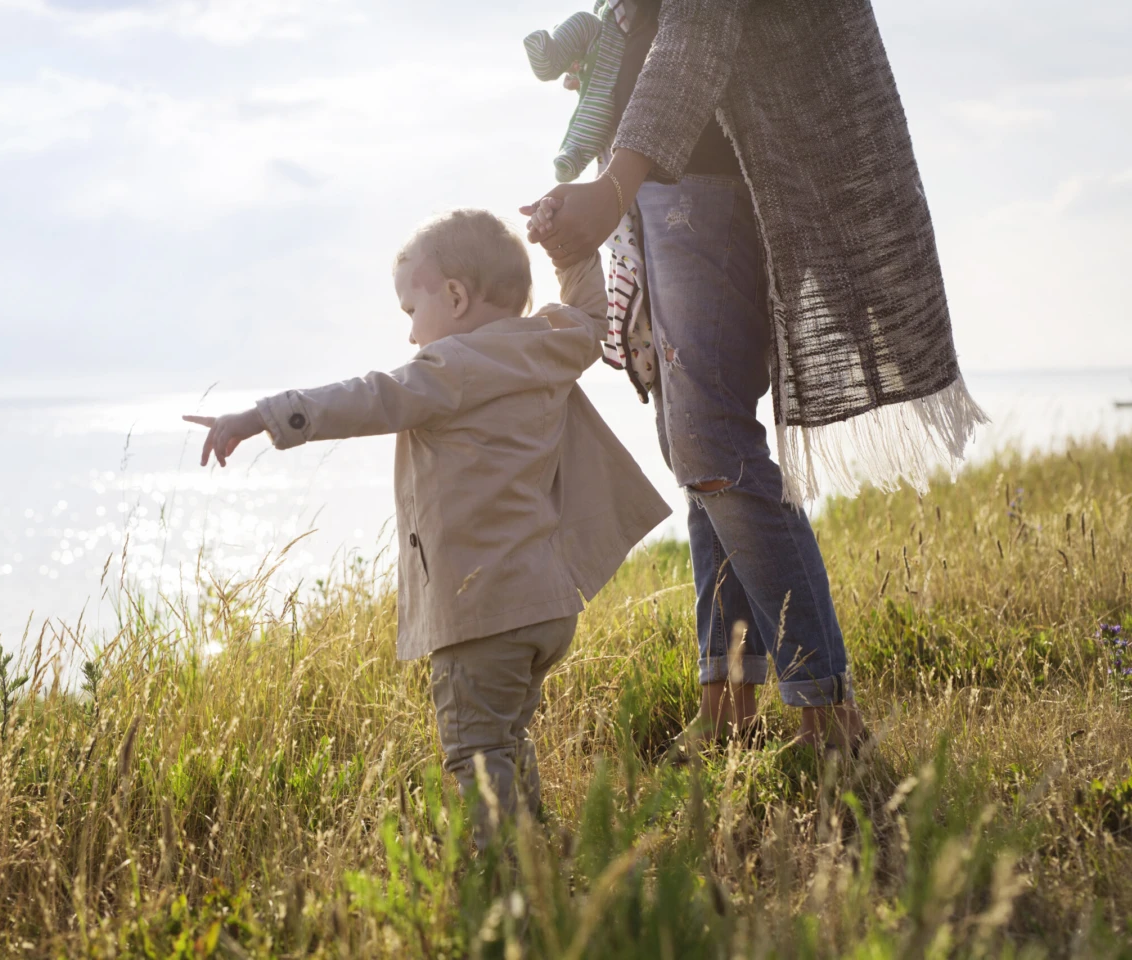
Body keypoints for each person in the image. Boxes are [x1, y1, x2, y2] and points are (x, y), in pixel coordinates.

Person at [522, 0, 986, 751]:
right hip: (669, 187)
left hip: (715, 180)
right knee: (698, 447)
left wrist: (610, 187)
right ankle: (728, 703)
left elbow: (698, 34)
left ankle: (830, 717)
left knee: (710, 444)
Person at [184, 209, 670, 837]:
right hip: (547, 604)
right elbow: (587, 312)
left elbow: (371, 396)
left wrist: (264, 417)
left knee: (475, 749)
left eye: (411, 313)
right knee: (505, 737)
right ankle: (537, 849)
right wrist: (568, 252)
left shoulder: (453, 368)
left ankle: (502, 873)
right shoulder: (549, 346)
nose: (412, 336)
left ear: (457, 297)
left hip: (482, 609)